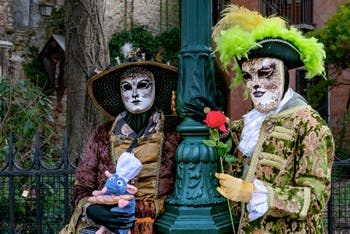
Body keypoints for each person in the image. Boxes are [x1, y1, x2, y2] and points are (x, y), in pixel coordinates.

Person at [188, 5, 335, 233]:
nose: (255, 83)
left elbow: (315, 198)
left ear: (284, 72)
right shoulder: (249, 124)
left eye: (265, 73)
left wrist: (253, 193)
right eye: (248, 76)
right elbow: (229, 140)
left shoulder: (310, 126)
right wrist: (213, 117)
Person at [60, 46, 181, 234]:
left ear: (156, 88)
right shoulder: (103, 134)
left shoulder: (174, 133)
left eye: (142, 85)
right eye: (127, 87)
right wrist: (92, 209)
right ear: (120, 93)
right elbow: (82, 186)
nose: (134, 94)